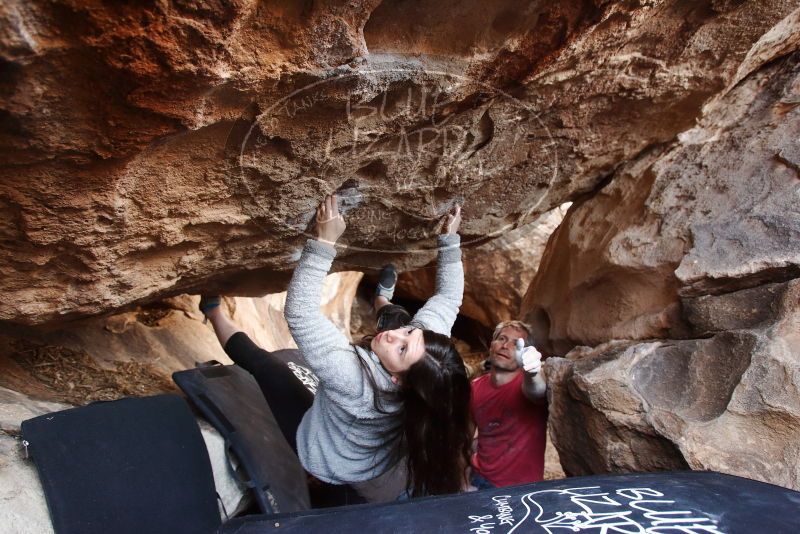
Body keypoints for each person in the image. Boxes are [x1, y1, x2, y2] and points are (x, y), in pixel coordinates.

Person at [201, 194, 472, 503]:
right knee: (395, 321)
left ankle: (212, 311)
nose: (395, 337)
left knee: (262, 365)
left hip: (328, 461)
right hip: (363, 444)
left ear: (399, 381)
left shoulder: (352, 378)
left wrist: (324, 242)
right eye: (409, 333)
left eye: (402, 349)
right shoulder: (425, 359)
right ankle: (382, 299)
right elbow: (449, 299)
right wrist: (450, 240)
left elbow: (300, 314)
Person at [469, 320, 547, 489]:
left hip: (520, 489)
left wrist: (532, 372)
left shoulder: (526, 383)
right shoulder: (474, 388)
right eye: (502, 339)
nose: (506, 346)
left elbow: (537, 391)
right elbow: (463, 438)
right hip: (477, 479)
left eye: (516, 344)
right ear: (491, 345)